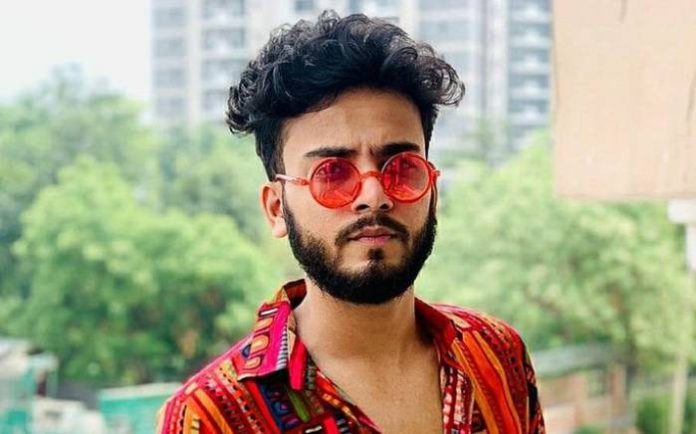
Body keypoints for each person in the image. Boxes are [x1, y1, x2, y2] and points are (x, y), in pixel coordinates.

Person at [157, 10, 545, 434]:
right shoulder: (211, 416)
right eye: (332, 173)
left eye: (402, 167)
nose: (374, 196)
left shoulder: (497, 356)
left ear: (432, 188)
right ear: (276, 208)